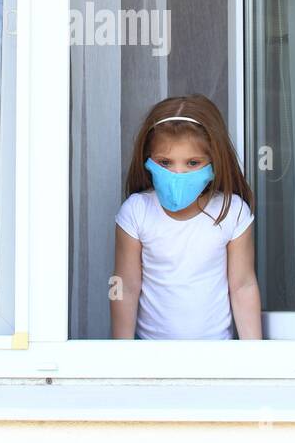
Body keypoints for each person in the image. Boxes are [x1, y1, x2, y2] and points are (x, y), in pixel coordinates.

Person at [110, 94, 261, 340]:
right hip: (152, 362)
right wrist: (121, 358)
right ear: (148, 160)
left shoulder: (233, 212)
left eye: (192, 162)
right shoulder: (136, 211)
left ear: (215, 161)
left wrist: (255, 362)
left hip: (216, 360)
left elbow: (243, 286)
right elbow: (125, 287)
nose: (178, 173)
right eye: (166, 162)